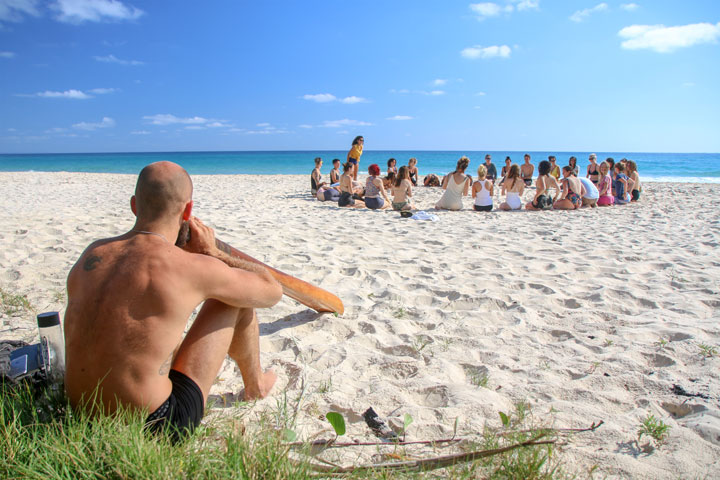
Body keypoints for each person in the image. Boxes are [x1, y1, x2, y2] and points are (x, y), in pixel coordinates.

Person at [64, 161, 282, 442]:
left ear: (134, 205)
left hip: (79, 412)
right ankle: (256, 385)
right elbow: (271, 291)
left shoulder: (92, 254)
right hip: (156, 424)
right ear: (188, 211)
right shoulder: (190, 266)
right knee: (233, 298)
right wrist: (212, 253)